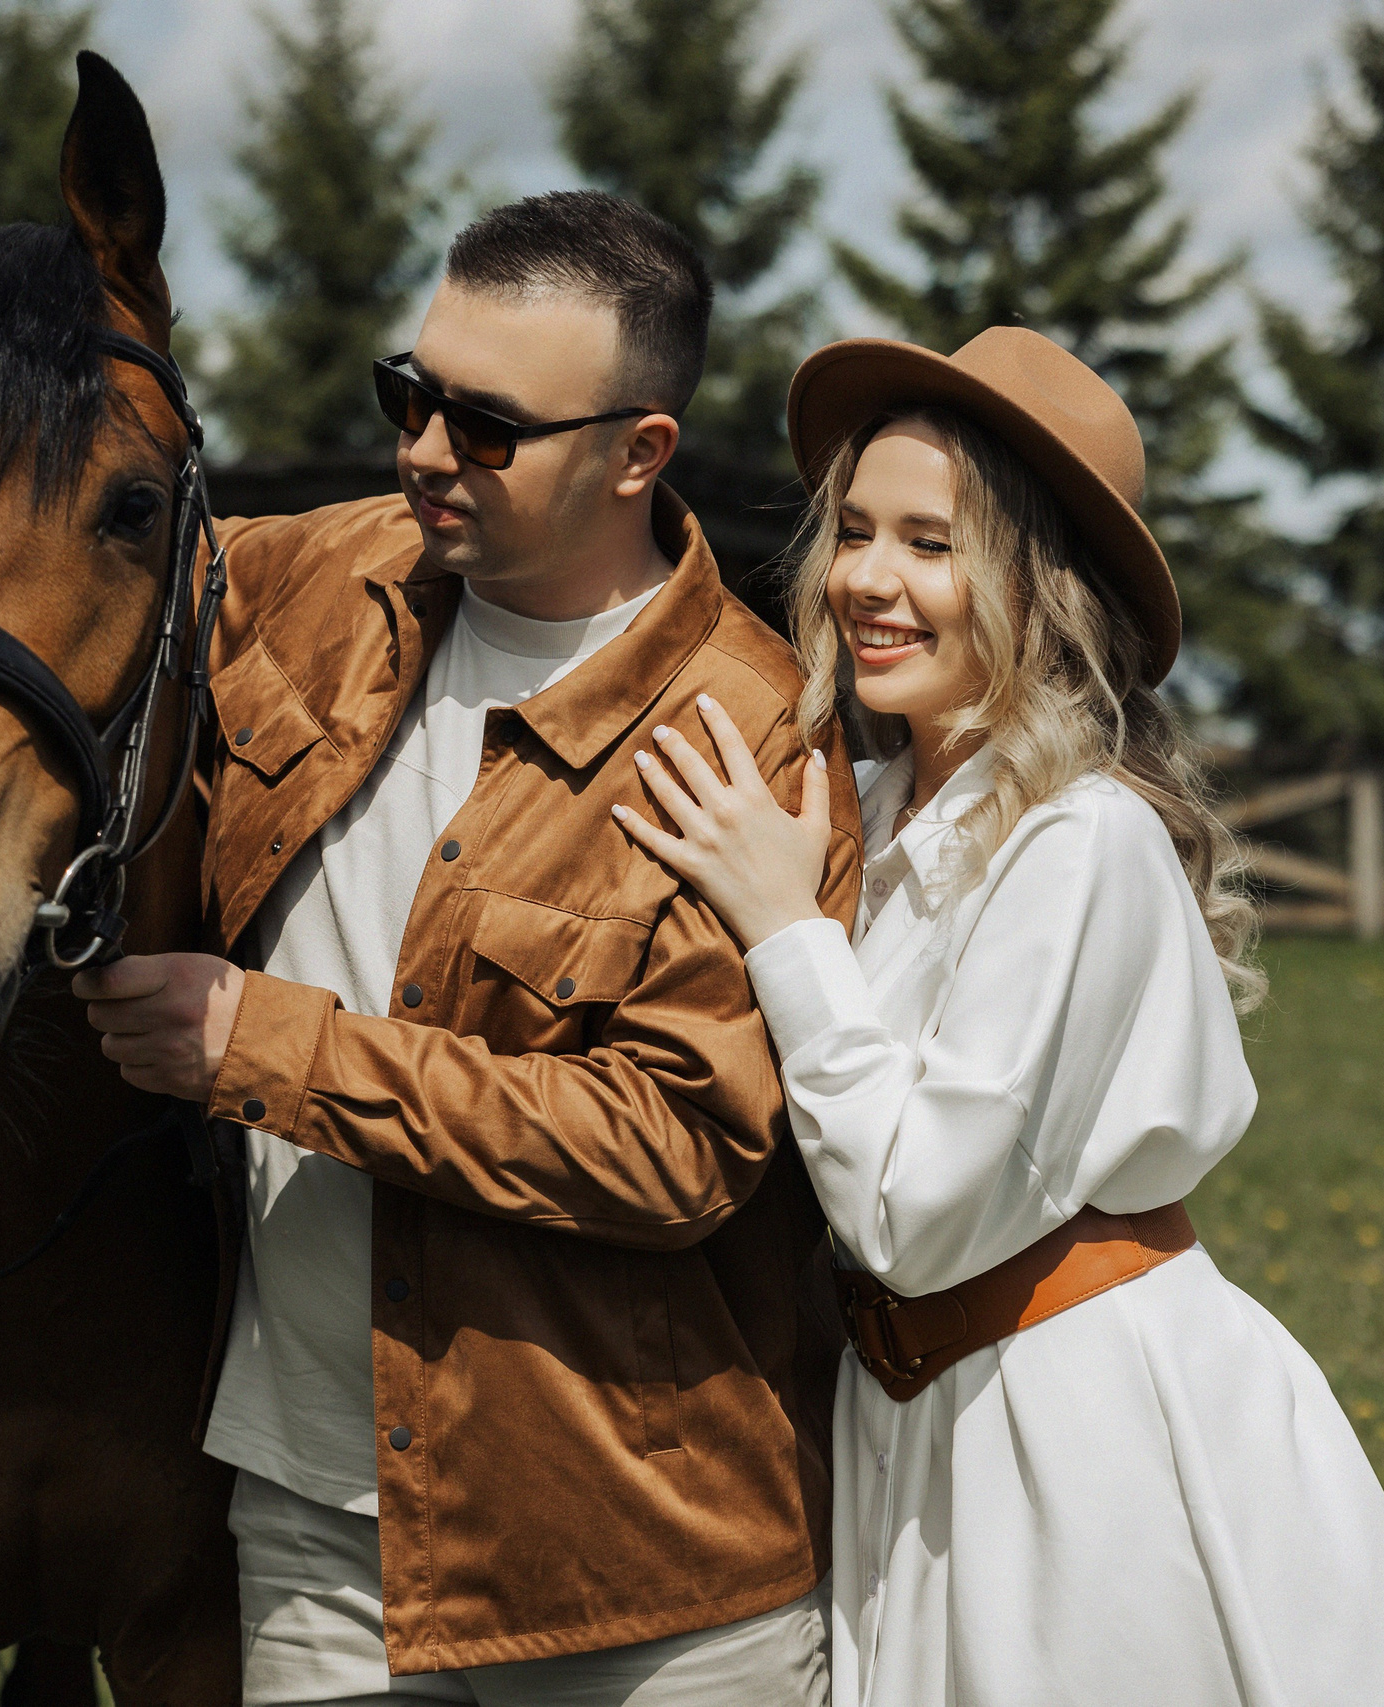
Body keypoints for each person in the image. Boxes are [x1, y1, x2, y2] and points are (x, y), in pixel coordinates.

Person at [72, 191, 861, 1705]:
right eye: (412, 394)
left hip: (641, 1580)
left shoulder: (748, 733)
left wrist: (265, 1048)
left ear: (641, 452)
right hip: (310, 1523)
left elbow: (675, 1146)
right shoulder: (307, 587)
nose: (426, 450)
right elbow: (67, 583)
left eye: (486, 425)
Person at [612, 327, 1384, 1706]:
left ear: (1039, 588)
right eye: (856, 531)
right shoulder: (850, 815)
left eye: (934, 545)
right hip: (904, 1425)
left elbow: (915, 1216)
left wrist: (787, 932)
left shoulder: (1083, 840)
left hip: (1078, 1434)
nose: (869, 579)